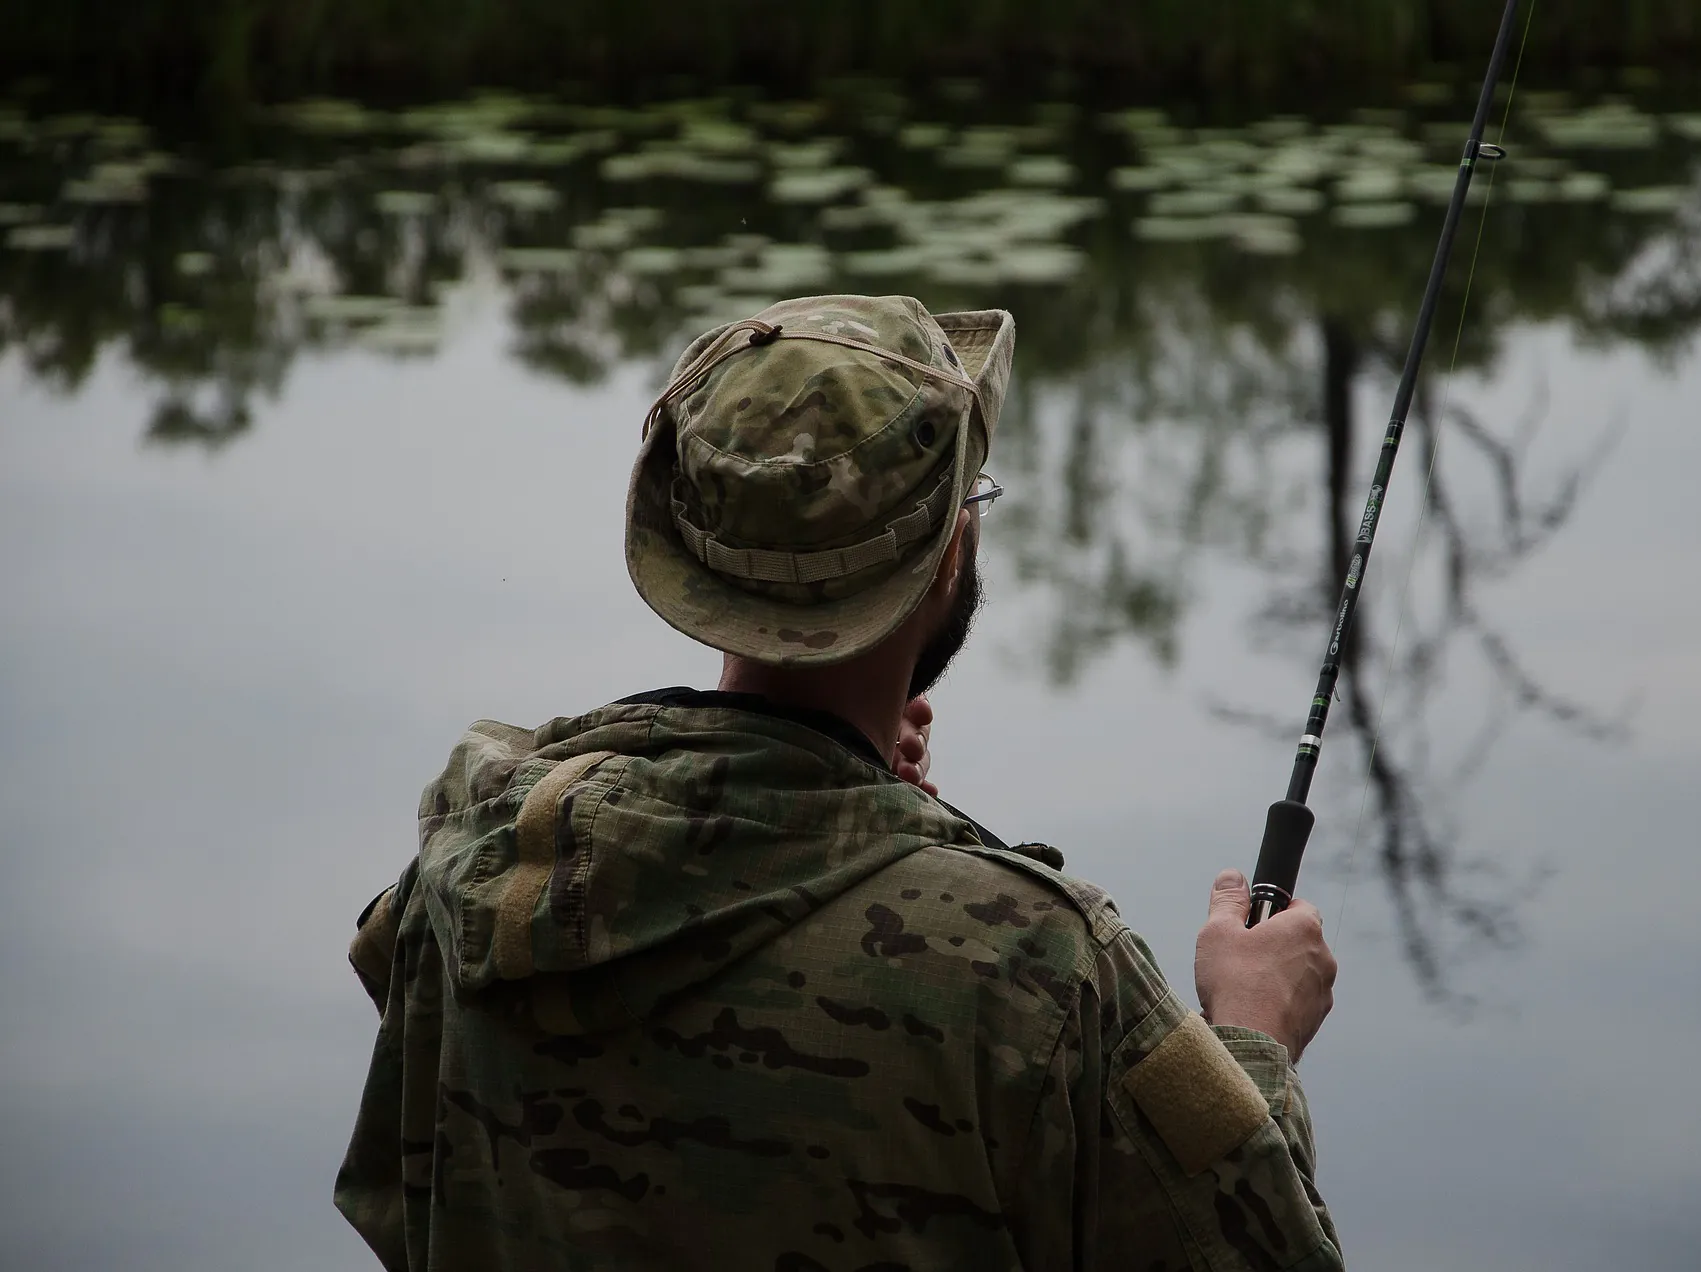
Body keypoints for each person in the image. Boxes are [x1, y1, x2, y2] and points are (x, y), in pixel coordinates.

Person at [336, 294, 1342, 1270]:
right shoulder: (1041, 969)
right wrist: (1253, 1036)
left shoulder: (468, 879)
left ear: (694, 561)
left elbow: (397, 1210)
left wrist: (868, 811)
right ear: (949, 555)